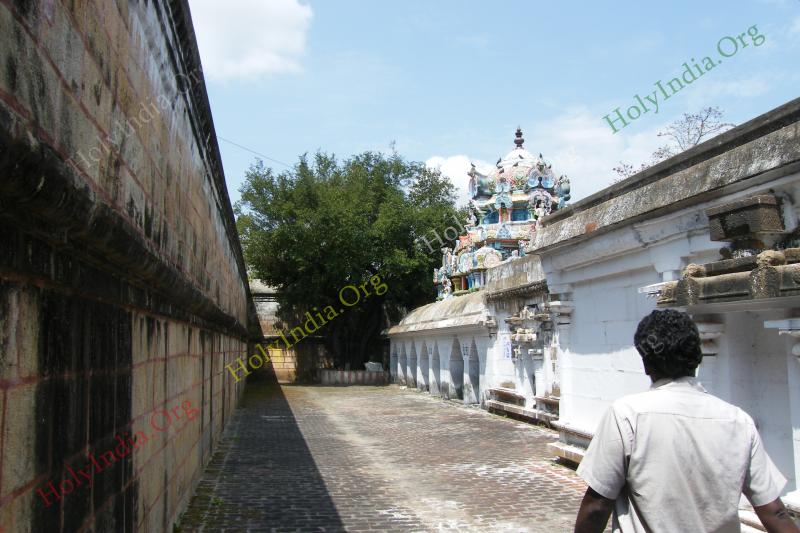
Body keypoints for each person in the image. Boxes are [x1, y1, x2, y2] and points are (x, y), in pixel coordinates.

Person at [574, 309, 798, 533]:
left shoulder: (627, 415)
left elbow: (597, 506)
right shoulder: (738, 420)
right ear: (697, 357)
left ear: (646, 364)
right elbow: (775, 512)